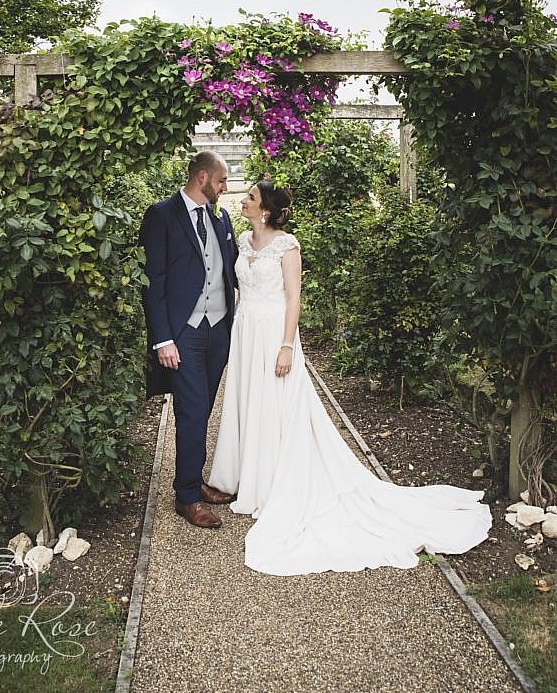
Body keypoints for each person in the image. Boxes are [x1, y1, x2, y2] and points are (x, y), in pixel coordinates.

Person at [208, 180, 493, 576]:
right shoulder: (241, 239)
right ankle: (243, 475)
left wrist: (287, 346)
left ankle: (272, 482)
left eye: (251, 197)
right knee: (247, 399)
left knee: (276, 403)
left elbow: (294, 297)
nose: (244, 200)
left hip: (274, 331)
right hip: (246, 329)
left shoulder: (287, 246)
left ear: (267, 210)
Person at [139, 151, 238, 530]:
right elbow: (154, 283)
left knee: (203, 409)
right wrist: (162, 338)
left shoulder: (221, 217)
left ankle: (193, 478)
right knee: (193, 411)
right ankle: (187, 496)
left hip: (218, 331)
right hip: (183, 333)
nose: (225, 188)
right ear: (202, 177)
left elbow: (228, 270)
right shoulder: (161, 215)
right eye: (221, 181)